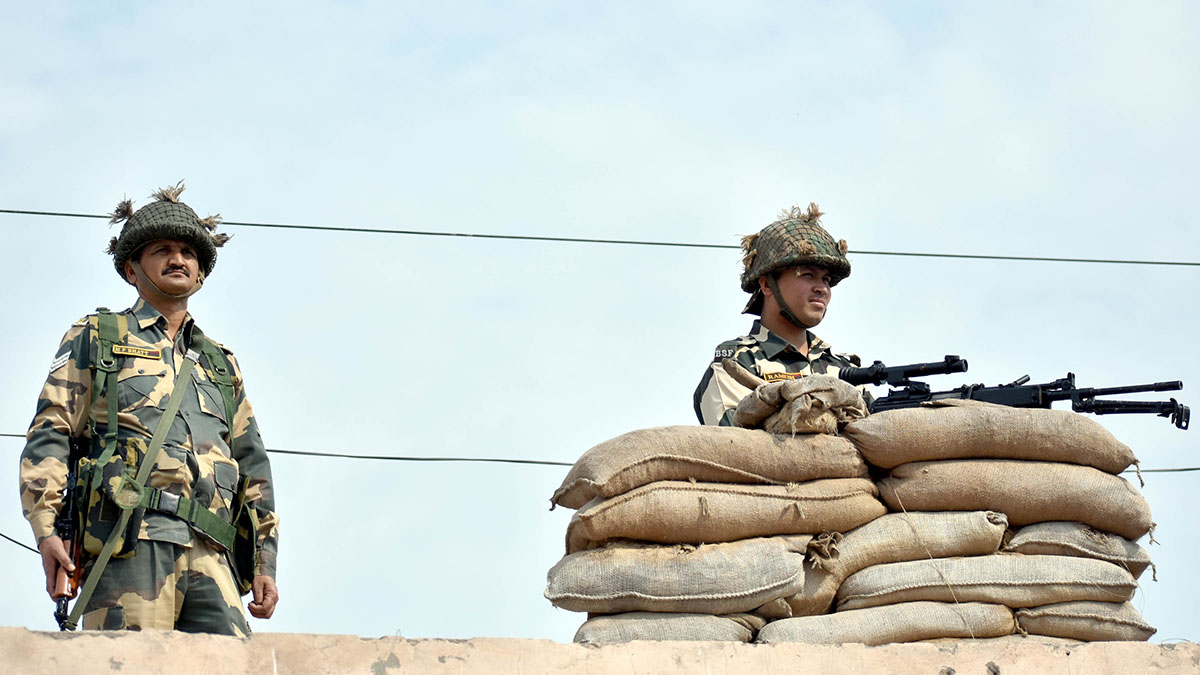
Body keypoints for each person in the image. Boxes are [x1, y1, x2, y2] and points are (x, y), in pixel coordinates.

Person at [18, 182, 279, 635]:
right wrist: (46, 529)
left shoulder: (220, 362)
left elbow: (253, 464)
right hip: (129, 544)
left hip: (213, 555)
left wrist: (265, 561)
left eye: (187, 252)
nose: (178, 259)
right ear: (131, 269)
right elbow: (52, 430)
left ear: (200, 271)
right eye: (162, 250)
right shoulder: (99, 335)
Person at [693, 203, 865, 426]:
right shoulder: (736, 362)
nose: (822, 288)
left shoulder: (845, 369)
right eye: (807, 275)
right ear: (767, 285)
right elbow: (732, 442)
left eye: (826, 280)